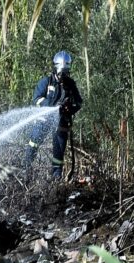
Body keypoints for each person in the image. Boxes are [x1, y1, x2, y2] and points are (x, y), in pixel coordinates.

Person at [25, 51, 83, 179]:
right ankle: (25, 170)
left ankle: (56, 179)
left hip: (61, 123)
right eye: (61, 72)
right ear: (55, 68)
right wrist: (51, 106)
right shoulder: (46, 82)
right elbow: (36, 99)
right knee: (33, 144)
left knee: (58, 153)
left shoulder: (71, 85)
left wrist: (69, 109)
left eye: (66, 71)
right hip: (43, 120)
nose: (63, 75)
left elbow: (79, 103)